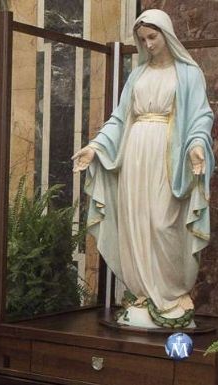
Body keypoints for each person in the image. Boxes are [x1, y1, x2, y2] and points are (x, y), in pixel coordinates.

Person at [72, 9, 214, 329]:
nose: (148, 44)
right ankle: (143, 292)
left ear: (167, 35)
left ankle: (172, 293)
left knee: (163, 222)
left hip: (168, 155)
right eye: (142, 39)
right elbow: (121, 119)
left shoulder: (187, 73)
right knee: (135, 220)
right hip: (135, 153)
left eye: (153, 37)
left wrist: (196, 145)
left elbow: (201, 116)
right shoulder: (137, 75)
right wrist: (94, 147)